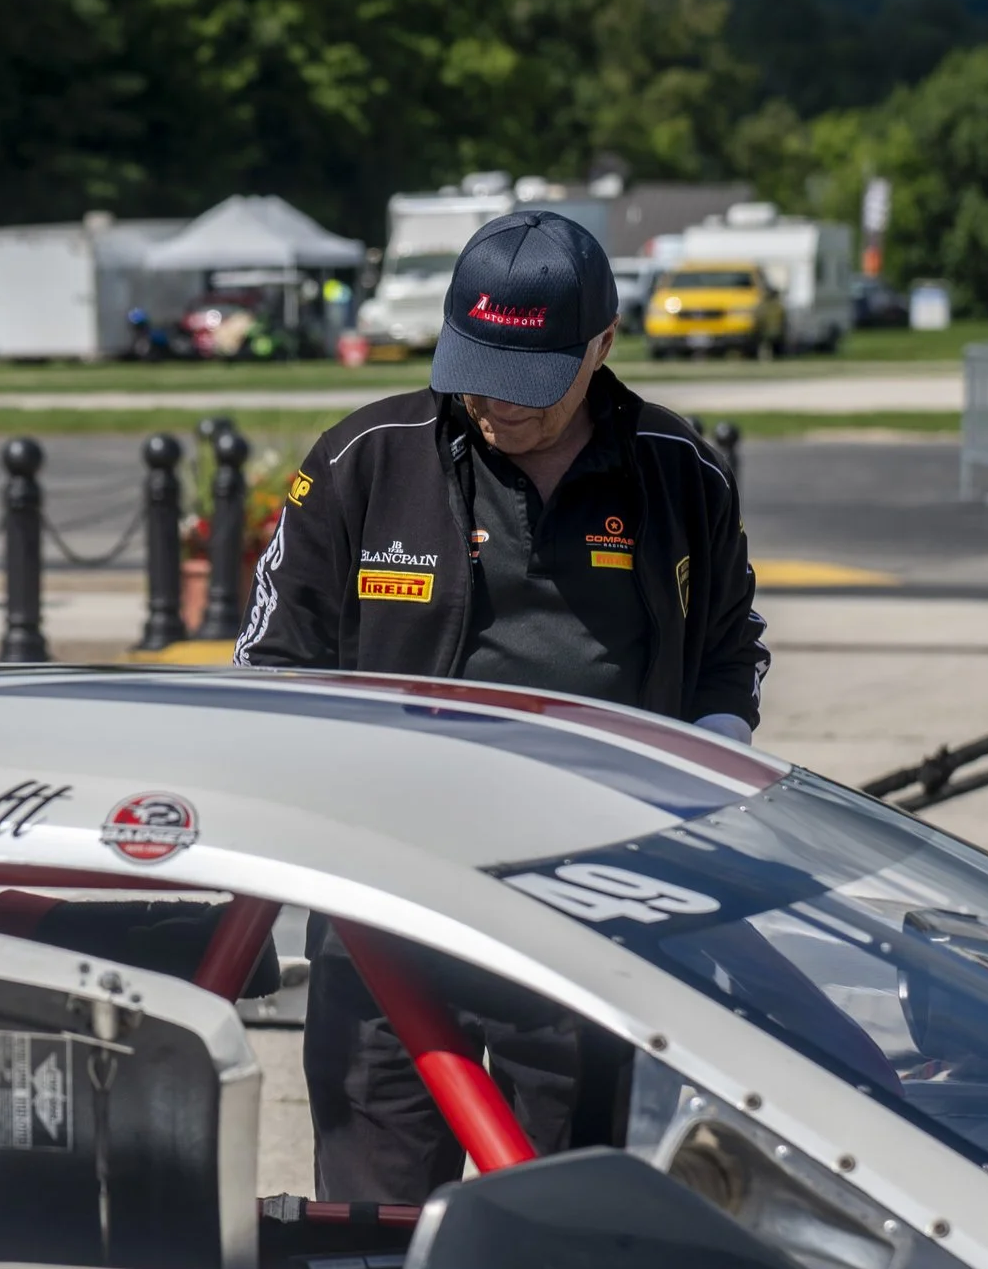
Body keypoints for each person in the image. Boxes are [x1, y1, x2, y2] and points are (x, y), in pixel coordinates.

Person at [234, 207, 769, 1204]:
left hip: (590, 907)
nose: (494, 403)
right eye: (473, 368)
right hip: (386, 910)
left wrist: (705, 766)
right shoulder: (365, 458)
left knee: (564, 1213)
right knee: (374, 1218)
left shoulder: (676, 471)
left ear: (602, 345)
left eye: (528, 380)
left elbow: (729, 653)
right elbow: (270, 659)